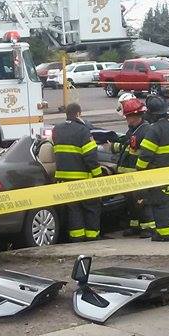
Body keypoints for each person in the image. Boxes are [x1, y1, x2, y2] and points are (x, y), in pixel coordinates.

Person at [136, 95, 169, 242]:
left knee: (161, 205)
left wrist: (139, 169)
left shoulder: (154, 130)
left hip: (160, 175)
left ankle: (164, 234)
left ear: (153, 114)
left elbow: (145, 155)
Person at [52, 102, 102, 242]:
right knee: (91, 207)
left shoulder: (57, 129)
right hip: (82, 179)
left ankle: (77, 239)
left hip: (63, 178)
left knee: (73, 209)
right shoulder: (83, 130)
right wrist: (98, 175)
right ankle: (92, 238)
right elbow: (90, 156)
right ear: (79, 114)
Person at [111, 97, 154, 237]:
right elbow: (127, 145)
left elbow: (142, 152)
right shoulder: (134, 130)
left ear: (136, 116)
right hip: (129, 176)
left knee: (142, 202)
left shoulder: (145, 131)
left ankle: (148, 228)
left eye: (128, 117)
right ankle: (134, 226)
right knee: (131, 204)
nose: (127, 120)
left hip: (138, 174)